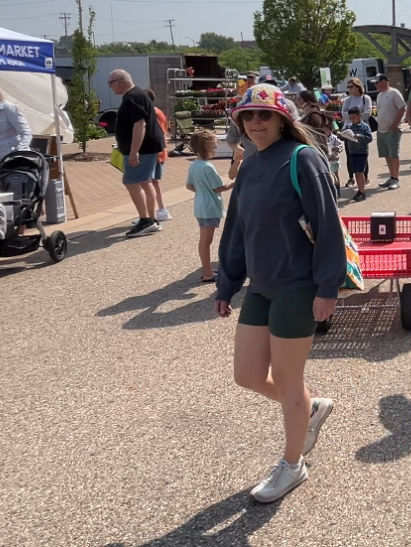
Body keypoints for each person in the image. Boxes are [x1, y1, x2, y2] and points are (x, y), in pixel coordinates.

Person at [214, 84, 343, 504]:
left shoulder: (302, 158)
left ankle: (292, 464)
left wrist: (328, 287)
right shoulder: (250, 165)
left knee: (289, 381)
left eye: (264, 115)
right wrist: (227, 283)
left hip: (298, 286)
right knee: (247, 375)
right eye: (248, 115)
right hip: (261, 287)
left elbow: (328, 225)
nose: (256, 122)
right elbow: (236, 230)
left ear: (282, 119)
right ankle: (309, 407)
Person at [108, 70, 165, 238]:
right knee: (145, 182)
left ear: (120, 81)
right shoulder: (138, 94)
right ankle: (151, 219)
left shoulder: (132, 97)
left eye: (111, 83)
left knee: (131, 182)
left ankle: (146, 220)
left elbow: (140, 125)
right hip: (148, 147)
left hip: (143, 149)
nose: (110, 87)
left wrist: (134, 152)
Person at [185, 130, 236, 283]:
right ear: (205, 147)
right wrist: (234, 183)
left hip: (200, 204)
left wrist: (202, 190)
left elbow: (189, 185)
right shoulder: (208, 167)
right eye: (213, 146)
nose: (215, 149)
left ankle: (207, 269)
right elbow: (218, 188)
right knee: (206, 241)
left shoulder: (194, 165)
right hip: (210, 207)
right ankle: (207, 272)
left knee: (204, 240)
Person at [143, 89, 173, 224]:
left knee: (148, 182)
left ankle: (150, 215)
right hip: (157, 152)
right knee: (153, 182)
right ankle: (160, 210)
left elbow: (157, 134)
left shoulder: (153, 113)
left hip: (154, 153)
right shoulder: (155, 112)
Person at [374, 75, 406, 190]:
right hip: (381, 129)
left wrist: (395, 124)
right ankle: (392, 176)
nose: (375, 85)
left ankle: (396, 179)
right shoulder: (379, 95)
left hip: (392, 129)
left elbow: (402, 107)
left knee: (394, 154)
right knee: (387, 154)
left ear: (384, 81)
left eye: (377, 82)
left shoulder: (394, 93)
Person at [341, 107, 372, 202]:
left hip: (362, 152)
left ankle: (362, 191)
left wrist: (360, 136)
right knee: (356, 172)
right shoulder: (349, 127)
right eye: (351, 118)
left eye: (354, 117)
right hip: (352, 152)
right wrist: (342, 135)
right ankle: (360, 190)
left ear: (360, 116)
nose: (353, 120)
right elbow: (345, 137)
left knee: (360, 171)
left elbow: (369, 138)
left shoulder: (365, 126)